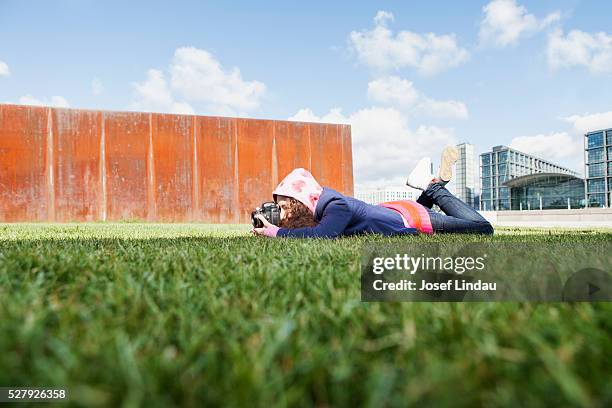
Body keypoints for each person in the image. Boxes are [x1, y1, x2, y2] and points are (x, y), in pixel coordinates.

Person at [252, 146, 493, 238]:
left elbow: (323, 234)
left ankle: (433, 187)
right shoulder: (323, 206)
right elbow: (311, 228)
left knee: (484, 229)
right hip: (397, 212)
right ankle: (431, 184)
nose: (283, 213)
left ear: (302, 200)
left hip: (413, 217)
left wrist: (276, 232)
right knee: (422, 206)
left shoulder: (335, 205)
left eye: (285, 207)